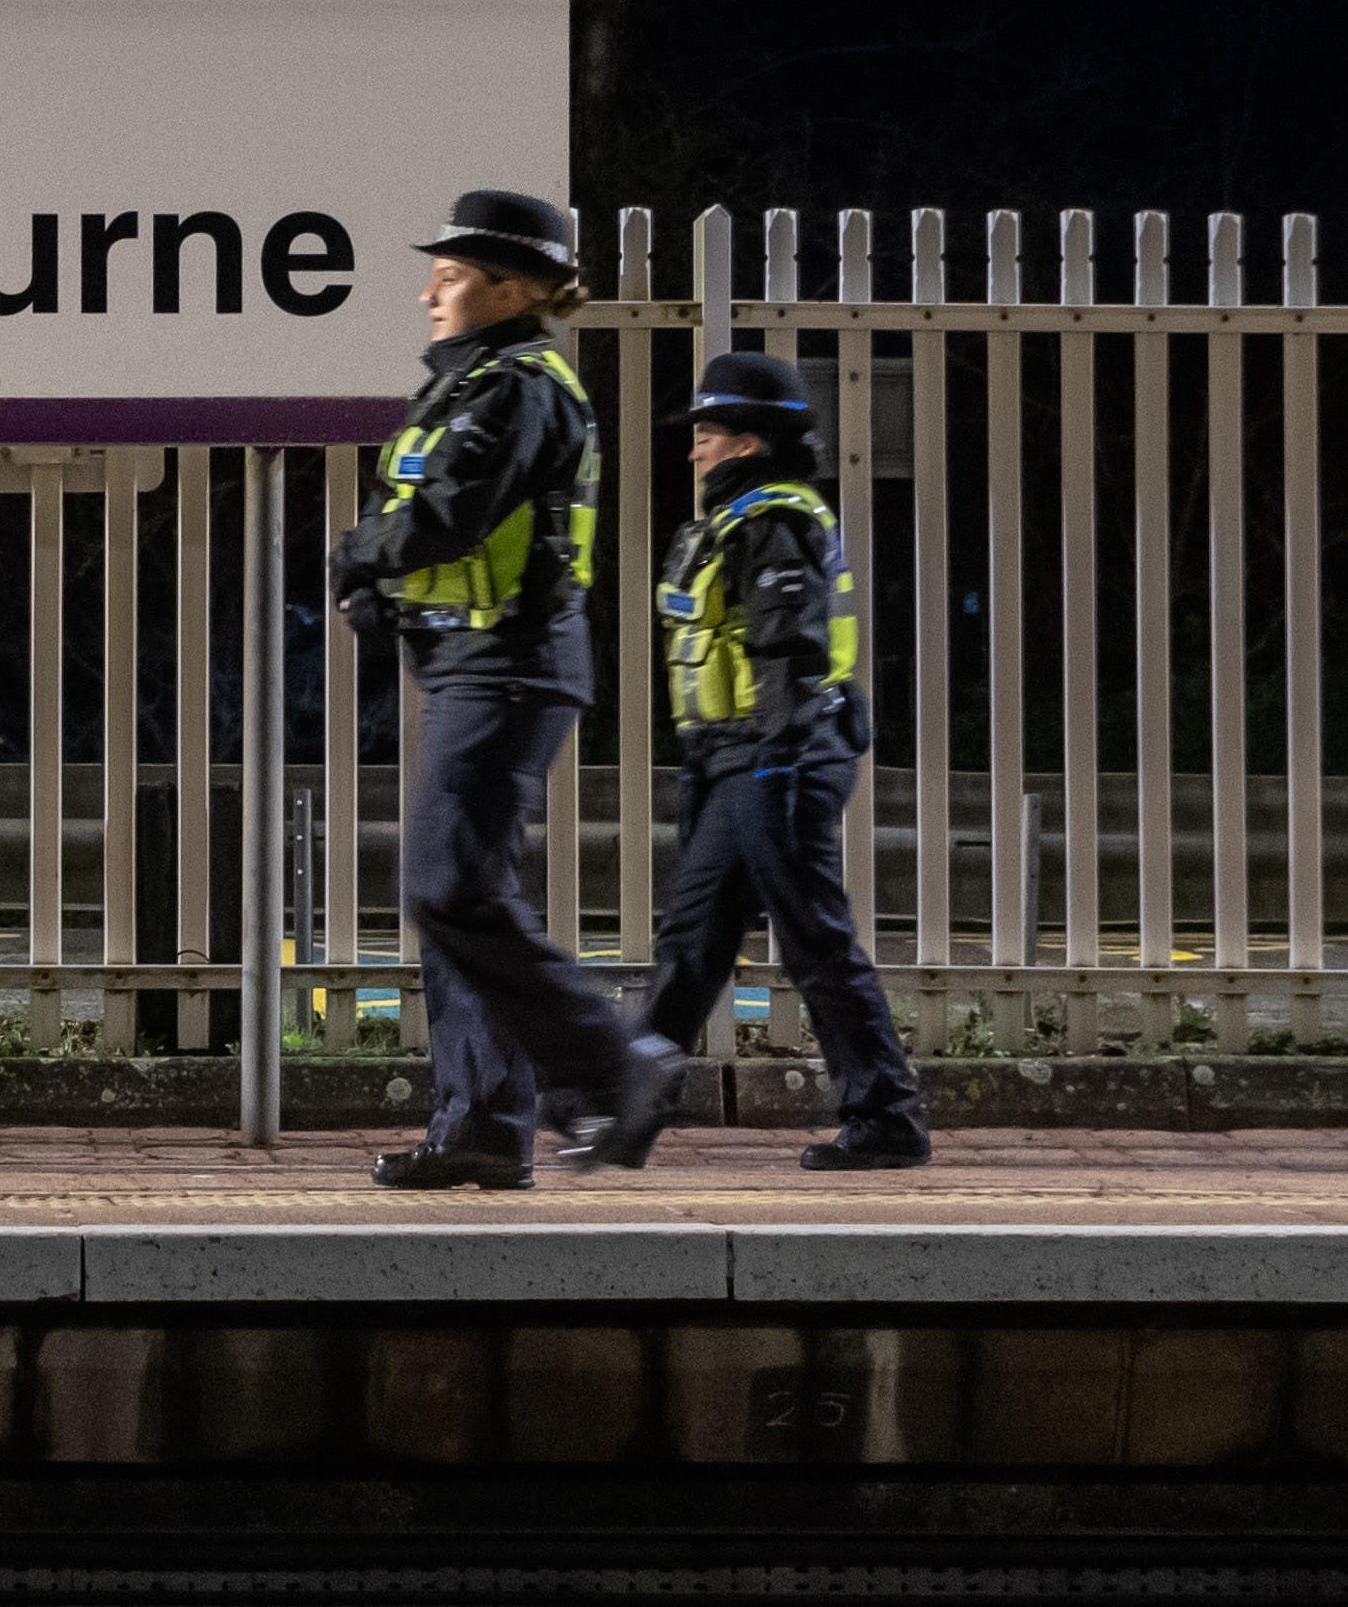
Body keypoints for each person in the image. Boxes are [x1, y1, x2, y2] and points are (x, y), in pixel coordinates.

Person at [324, 189, 685, 1190]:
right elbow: (431, 524)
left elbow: (444, 514)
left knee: (447, 887)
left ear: (510, 286)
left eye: (449, 275)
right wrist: (377, 582)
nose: (427, 291)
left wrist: (359, 552)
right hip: (470, 666)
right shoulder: (473, 384)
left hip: (508, 667)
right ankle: (483, 1123)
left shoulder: (516, 388)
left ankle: (616, 1069)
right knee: (457, 900)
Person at [636, 349, 930, 1170]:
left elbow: (787, 655)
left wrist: (772, 758)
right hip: (733, 757)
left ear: (749, 441)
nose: (692, 446)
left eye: (706, 431)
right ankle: (622, 1109)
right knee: (692, 940)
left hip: (782, 752)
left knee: (812, 937)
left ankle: (888, 1118)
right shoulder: (733, 519)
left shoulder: (774, 519)